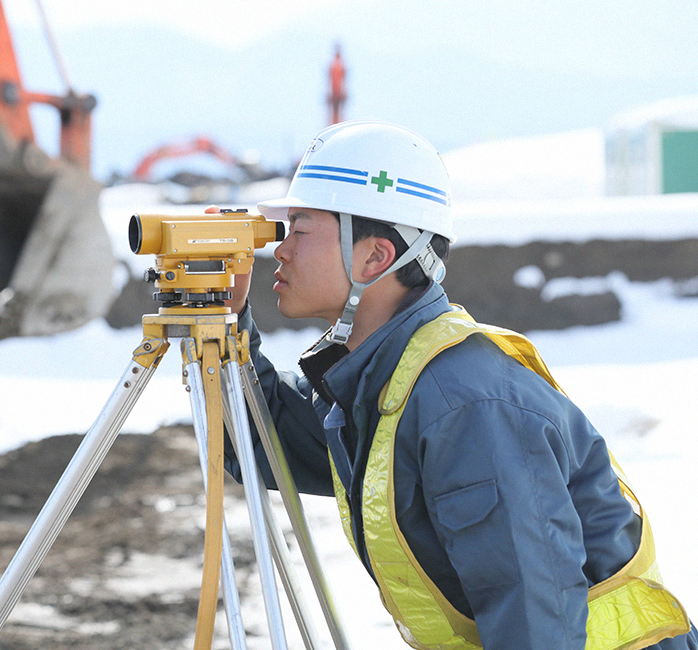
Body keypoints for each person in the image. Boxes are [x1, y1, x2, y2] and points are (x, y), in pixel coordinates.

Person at [218, 121, 696, 650]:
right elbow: (261, 437)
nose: (279, 252)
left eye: (299, 231)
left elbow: (532, 621)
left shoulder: (464, 403)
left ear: (375, 257)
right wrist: (224, 319)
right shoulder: (386, 379)